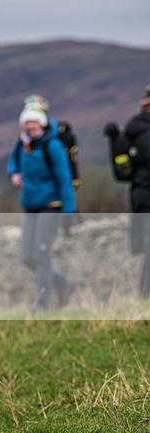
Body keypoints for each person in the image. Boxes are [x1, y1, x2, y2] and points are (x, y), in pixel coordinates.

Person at [8, 95, 76, 312]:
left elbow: (64, 178)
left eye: (33, 122)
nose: (30, 127)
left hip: (51, 205)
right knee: (27, 256)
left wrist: (69, 211)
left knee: (41, 253)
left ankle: (41, 304)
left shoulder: (52, 145)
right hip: (30, 205)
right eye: (27, 123)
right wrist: (14, 174)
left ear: (42, 123)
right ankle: (62, 283)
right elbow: (13, 161)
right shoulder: (22, 143)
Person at [104, 85, 150, 299]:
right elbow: (123, 172)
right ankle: (145, 296)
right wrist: (114, 140)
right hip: (145, 196)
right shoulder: (135, 130)